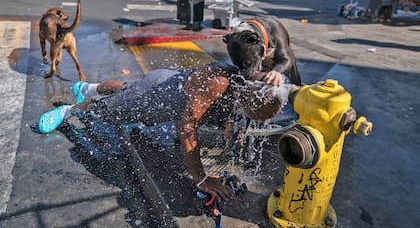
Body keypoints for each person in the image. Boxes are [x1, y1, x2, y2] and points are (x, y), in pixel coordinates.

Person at [37, 61, 293, 200]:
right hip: (153, 100)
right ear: (249, 98)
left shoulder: (251, 78)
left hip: (161, 82)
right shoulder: (217, 84)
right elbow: (187, 129)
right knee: (107, 112)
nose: (248, 120)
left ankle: (89, 87)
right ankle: (72, 109)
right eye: (250, 116)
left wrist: (277, 74)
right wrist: (201, 178)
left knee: (127, 88)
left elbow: (276, 69)